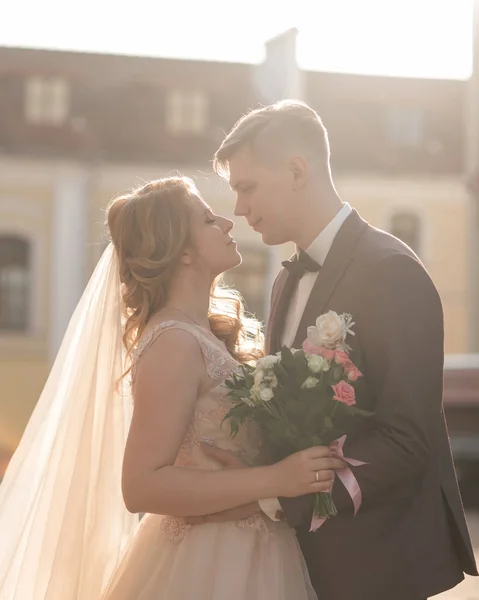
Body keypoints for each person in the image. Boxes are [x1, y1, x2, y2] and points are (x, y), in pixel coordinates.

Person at [0, 176, 342, 600]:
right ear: (181, 250)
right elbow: (142, 486)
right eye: (207, 219)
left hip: (258, 550)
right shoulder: (173, 342)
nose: (227, 222)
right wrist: (274, 480)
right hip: (208, 567)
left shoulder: (207, 335)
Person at [195, 99, 478, 600]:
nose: (238, 208)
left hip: (371, 568)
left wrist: (279, 497)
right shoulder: (286, 282)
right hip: (292, 566)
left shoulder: (392, 271)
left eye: (247, 186)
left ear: (297, 170)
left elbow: (408, 440)